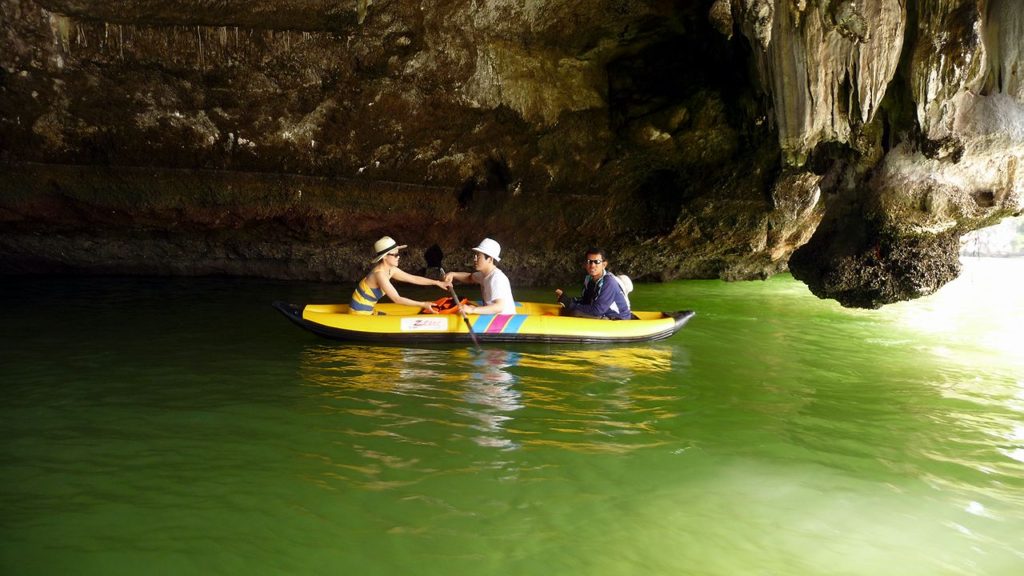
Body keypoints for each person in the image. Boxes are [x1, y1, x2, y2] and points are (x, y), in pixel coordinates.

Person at [349, 236, 452, 315]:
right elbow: (396, 299)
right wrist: (424, 304)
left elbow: (413, 279)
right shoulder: (379, 274)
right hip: (359, 313)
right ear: (384, 257)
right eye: (395, 255)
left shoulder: (391, 270)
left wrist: (437, 283)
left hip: (369, 310)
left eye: (398, 254)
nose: (398, 257)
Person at [443, 238, 517, 315]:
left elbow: (499, 307)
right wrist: (453, 274)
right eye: (475, 255)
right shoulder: (483, 275)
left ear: (489, 259)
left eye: (478, 256)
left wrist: (473, 309)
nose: (475, 259)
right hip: (491, 316)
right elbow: (469, 277)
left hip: (503, 320)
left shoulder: (496, 278)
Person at [555, 247, 632, 319]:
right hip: (603, 313)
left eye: (597, 262)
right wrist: (566, 300)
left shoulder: (609, 282)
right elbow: (585, 301)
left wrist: (570, 304)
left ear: (604, 265)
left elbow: (597, 310)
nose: (592, 265)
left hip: (617, 318)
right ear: (585, 264)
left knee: (575, 313)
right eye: (589, 261)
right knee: (565, 309)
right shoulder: (588, 279)